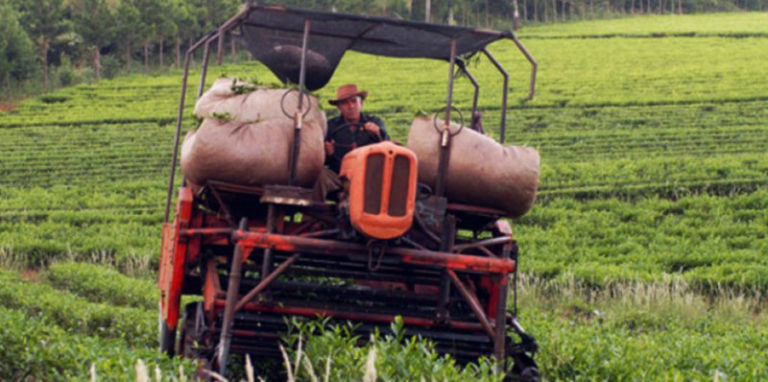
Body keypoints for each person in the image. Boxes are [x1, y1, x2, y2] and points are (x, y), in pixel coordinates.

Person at [314, 84, 389, 201]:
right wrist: (328, 153)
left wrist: (377, 132)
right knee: (320, 175)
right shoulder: (331, 126)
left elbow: (387, 145)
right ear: (339, 107)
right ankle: (313, 213)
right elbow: (323, 159)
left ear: (361, 103)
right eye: (345, 103)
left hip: (368, 178)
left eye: (354, 101)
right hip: (339, 178)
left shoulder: (375, 122)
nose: (351, 106)